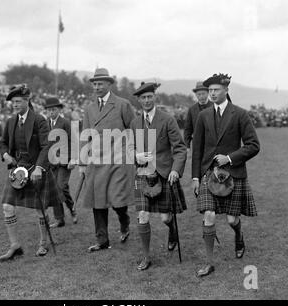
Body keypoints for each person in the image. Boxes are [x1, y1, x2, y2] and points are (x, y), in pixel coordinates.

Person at [192, 73, 260, 277]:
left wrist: (229, 158)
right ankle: (209, 262)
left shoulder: (239, 114)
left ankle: (238, 235)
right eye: (209, 91)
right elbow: (197, 150)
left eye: (216, 90)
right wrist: (195, 177)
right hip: (208, 174)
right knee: (209, 215)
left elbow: (254, 145)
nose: (212, 94)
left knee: (232, 220)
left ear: (226, 90)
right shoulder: (203, 116)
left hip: (233, 174)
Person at [0, 84, 61, 261]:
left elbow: (46, 146)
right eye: (13, 102)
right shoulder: (11, 121)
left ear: (27, 101)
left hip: (36, 169)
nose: (15, 105)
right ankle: (15, 245)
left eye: (18, 101)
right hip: (17, 170)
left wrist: (40, 168)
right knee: (7, 207)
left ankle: (43, 242)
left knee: (40, 210)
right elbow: (3, 142)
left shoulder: (39, 120)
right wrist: (5, 155)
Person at [129, 82, 187, 270]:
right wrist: (135, 155)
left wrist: (175, 170)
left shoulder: (167, 119)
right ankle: (146, 257)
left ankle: (172, 230)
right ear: (138, 100)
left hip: (163, 173)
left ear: (155, 98)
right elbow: (129, 147)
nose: (146, 100)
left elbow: (179, 148)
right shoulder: (135, 123)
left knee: (165, 218)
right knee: (143, 215)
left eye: (149, 97)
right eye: (143, 98)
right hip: (143, 174)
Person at [78, 68, 136, 252]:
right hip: (96, 161)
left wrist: (133, 152)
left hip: (119, 160)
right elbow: (85, 135)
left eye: (100, 83)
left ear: (109, 84)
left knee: (117, 201)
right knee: (98, 201)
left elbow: (134, 129)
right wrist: (81, 162)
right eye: (94, 84)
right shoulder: (89, 108)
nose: (97, 87)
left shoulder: (122, 104)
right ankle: (102, 240)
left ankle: (124, 221)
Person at [44, 96, 78, 227]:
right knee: (57, 189)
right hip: (51, 162)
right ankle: (60, 219)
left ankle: (72, 210)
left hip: (65, 161)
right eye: (49, 110)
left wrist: (73, 159)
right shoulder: (46, 123)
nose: (51, 112)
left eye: (53, 110)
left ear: (59, 110)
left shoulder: (65, 123)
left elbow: (74, 141)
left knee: (60, 186)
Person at [184, 82, 213, 149]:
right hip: (197, 144)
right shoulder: (192, 109)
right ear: (196, 95)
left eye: (203, 94)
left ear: (208, 93)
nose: (201, 96)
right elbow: (188, 128)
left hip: (212, 144)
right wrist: (187, 145)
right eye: (199, 94)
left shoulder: (214, 107)